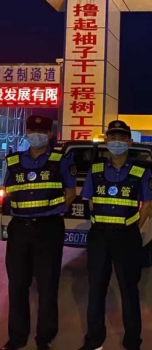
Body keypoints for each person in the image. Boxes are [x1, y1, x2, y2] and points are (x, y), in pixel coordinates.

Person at [2, 115, 77, 350]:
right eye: (33, 131)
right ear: (26, 133)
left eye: (42, 131)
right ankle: (17, 337)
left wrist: (53, 211)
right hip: (19, 229)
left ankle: (44, 337)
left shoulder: (60, 160)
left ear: (50, 134)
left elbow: (71, 192)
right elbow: (7, 190)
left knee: (47, 285)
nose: (37, 135)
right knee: (17, 285)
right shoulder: (13, 161)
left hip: (48, 229)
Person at [78, 120, 152, 350]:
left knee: (129, 290)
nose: (117, 142)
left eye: (121, 138)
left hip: (127, 236)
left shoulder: (140, 171)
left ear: (129, 142)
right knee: (96, 289)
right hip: (99, 236)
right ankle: (94, 340)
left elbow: (147, 205)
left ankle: (132, 341)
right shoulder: (96, 170)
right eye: (112, 138)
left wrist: (131, 227)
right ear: (106, 141)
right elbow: (90, 201)